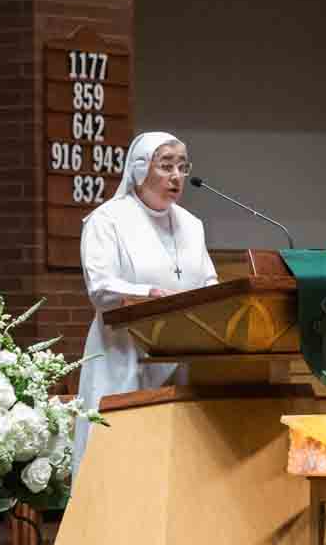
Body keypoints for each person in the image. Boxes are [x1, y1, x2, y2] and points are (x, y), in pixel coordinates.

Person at [72, 131, 220, 470]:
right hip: (122, 355)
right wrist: (149, 294)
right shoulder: (107, 220)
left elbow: (209, 281)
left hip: (182, 356)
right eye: (166, 166)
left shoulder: (192, 225)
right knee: (119, 461)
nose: (177, 176)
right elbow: (100, 287)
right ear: (139, 170)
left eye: (182, 167)